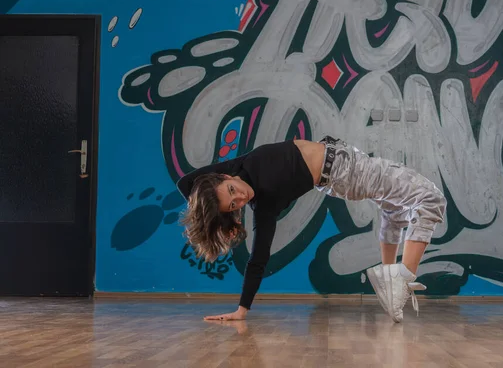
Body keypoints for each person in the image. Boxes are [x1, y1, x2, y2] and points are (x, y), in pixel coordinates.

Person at [176, 136, 447, 323]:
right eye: (233, 204)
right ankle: (401, 280)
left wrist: (216, 214)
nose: (240, 198)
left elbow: (186, 183)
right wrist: (242, 309)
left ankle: (389, 280)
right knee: (430, 198)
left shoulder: (236, 166)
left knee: (395, 209)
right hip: (348, 171)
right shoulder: (265, 205)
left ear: (224, 177)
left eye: (232, 192)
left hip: (344, 166)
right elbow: (258, 260)